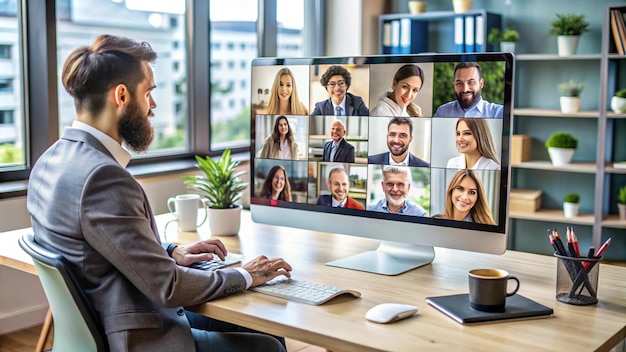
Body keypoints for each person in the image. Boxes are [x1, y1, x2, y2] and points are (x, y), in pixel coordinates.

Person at [26, 34, 291, 352]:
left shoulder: (50, 161)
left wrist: (169, 252)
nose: (153, 106)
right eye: (149, 92)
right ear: (121, 95)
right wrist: (244, 274)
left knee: (251, 320)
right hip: (137, 338)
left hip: (109, 323)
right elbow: (169, 286)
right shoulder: (103, 176)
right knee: (269, 345)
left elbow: (97, 242)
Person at [433, 62, 503, 118]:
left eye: (471, 82)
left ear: (481, 83)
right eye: (459, 83)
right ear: (454, 85)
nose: (465, 89)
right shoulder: (442, 112)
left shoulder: (498, 113)